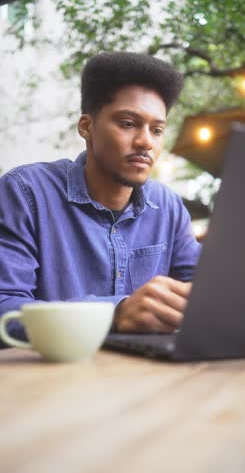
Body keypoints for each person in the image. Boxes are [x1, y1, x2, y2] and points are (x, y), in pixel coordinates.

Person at [0, 51, 201, 345]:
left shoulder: (168, 207)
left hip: (147, 378)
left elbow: (203, 294)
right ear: (87, 126)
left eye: (157, 129)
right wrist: (113, 314)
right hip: (49, 381)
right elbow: (5, 307)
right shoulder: (25, 192)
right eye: (128, 123)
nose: (146, 141)